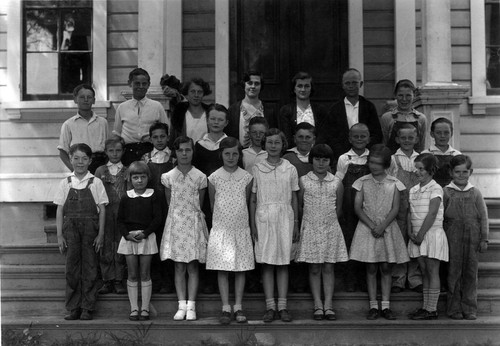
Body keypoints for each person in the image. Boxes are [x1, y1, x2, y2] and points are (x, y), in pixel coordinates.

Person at [349, 144, 409, 320]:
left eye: (378, 163)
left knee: (385, 267)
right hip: (367, 228)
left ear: (385, 164)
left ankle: (386, 305)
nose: (374, 166)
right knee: (371, 266)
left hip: (387, 228)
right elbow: (358, 208)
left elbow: (396, 208)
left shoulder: (394, 183)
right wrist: (372, 225)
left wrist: (383, 226)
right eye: (371, 162)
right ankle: (373, 305)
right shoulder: (362, 182)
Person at [250, 128, 299, 323]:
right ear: (264, 144)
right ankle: (270, 306)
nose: (273, 146)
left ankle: (283, 306)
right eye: (269, 142)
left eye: (277, 142)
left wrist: (295, 223)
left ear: (283, 144)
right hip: (264, 217)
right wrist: (253, 224)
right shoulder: (257, 168)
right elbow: (253, 198)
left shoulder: (290, 168)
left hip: (285, 217)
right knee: (268, 263)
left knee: (283, 263)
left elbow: (295, 196)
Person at [54, 143, 108, 321]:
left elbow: (102, 209)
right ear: (70, 159)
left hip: (91, 229)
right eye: (76, 158)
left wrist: (100, 234)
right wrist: (60, 235)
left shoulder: (96, 182)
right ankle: (73, 307)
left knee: (90, 267)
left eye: (84, 158)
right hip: (70, 229)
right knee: (72, 268)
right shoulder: (65, 183)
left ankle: (87, 307)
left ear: (90, 160)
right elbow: (60, 210)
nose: (80, 162)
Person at [295, 144, 348, 321]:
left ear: (330, 162)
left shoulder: (336, 183)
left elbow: (339, 209)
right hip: (310, 227)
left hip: (330, 228)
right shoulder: (303, 181)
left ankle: (329, 304)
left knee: (328, 266)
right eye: (317, 159)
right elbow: (300, 206)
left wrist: (327, 222)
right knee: (315, 267)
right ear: (312, 160)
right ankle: (318, 304)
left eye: (325, 160)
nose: (320, 163)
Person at [206, 137, 255, 325]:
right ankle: (226, 306)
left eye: (235, 153)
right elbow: (212, 203)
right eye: (227, 153)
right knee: (223, 269)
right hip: (222, 228)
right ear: (221, 155)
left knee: (240, 268)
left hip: (241, 227)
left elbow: (247, 202)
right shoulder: (214, 177)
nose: (231, 157)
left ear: (239, 155)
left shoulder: (246, 177)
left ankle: (238, 306)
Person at [160, 137, 208, 321]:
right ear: (176, 152)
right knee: (179, 265)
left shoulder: (200, 177)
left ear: (193, 152)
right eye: (181, 150)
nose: (185, 153)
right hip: (176, 223)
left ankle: (192, 306)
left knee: (193, 265)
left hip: (193, 223)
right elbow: (169, 202)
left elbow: (200, 203)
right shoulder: (168, 177)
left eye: (188, 150)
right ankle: (181, 305)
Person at [444, 155, 489, 320]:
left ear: (471, 172)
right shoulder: (446, 192)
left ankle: (469, 308)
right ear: (451, 172)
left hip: (473, 236)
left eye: (465, 172)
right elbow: (440, 216)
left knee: (470, 272)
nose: (461, 175)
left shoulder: (475, 192)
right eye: (457, 172)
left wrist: (484, 238)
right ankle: (454, 308)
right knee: (453, 272)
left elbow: (483, 216)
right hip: (452, 236)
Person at [116, 161, 163, 321]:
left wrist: (145, 233)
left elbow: (158, 218)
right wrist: (126, 235)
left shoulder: (153, 195)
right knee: (132, 273)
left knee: (144, 273)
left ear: (148, 177)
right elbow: (120, 220)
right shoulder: (126, 197)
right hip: (129, 239)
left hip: (146, 237)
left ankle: (145, 308)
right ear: (130, 178)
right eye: (135, 177)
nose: (139, 180)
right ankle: (134, 308)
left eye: (143, 177)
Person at [192, 103, 230, 294]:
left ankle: (224, 277)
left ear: (226, 122)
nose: (216, 122)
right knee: (207, 237)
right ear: (207, 121)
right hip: (206, 198)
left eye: (220, 119)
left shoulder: (230, 145)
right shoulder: (199, 145)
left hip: (227, 199)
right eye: (213, 119)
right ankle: (207, 280)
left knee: (225, 238)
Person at [408, 153, 449, 320]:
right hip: (418, 235)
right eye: (416, 168)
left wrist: (421, 234)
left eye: (421, 169)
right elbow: (410, 213)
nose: (417, 172)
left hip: (431, 234)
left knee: (432, 271)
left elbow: (432, 214)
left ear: (431, 170)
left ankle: (432, 309)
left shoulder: (436, 188)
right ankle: (425, 307)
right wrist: (411, 232)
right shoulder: (413, 189)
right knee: (424, 271)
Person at [387, 124, 423, 294]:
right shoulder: (393, 159)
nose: (407, 141)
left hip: (417, 204)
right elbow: (388, 182)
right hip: (399, 205)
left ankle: (415, 278)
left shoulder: (422, 158)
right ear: (397, 139)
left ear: (416, 139)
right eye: (403, 138)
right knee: (399, 240)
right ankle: (398, 278)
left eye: (411, 138)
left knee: (415, 239)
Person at [335, 123, 371, 292]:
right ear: (349, 138)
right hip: (349, 207)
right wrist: (339, 207)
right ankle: (349, 279)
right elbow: (338, 184)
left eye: (363, 136)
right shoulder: (344, 158)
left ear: (369, 138)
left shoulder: (372, 157)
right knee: (349, 241)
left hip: (369, 207)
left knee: (367, 242)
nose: (359, 139)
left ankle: (365, 281)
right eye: (355, 136)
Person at [141, 122, 176, 294]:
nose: (159, 140)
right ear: (150, 139)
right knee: (153, 242)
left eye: (162, 136)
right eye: (155, 137)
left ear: (168, 137)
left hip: (171, 205)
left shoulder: (174, 158)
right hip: (152, 206)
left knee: (168, 242)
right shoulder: (146, 159)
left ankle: (169, 281)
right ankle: (155, 280)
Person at [319, 68, 382, 161]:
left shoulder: (369, 107)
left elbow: (376, 134)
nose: (351, 86)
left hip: (366, 157)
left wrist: (364, 150)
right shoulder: (335, 109)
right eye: (347, 83)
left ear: (361, 84)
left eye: (354, 83)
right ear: (342, 85)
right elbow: (329, 135)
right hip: (342, 156)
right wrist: (341, 153)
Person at [113, 68, 168, 166]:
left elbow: (166, 131)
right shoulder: (122, 107)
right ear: (130, 83)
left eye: (144, 83)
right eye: (137, 83)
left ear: (148, 84)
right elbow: (117, 134)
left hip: (151, 151)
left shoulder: (157, 106)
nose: (141, 87)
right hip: (129, 152)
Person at [94, 138, 128, 295]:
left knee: (120, 245)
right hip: (105, 214)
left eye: (118, 150)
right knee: (106, 245)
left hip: (122, 213)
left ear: (123, 151)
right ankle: (107, 280)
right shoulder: (100, 171)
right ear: (106, 152)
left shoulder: (127, 170)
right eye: (111, 151)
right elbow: (95, 193)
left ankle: (118, 279)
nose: (115, 154)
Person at [58, 84, 108, 174]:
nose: (86, 100)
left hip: (100, 164)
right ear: (75, 99)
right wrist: (74, 170)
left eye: (89, 97)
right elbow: (62, 152)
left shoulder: (102, 122)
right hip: (80, 165)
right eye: (82, 97)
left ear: (94, 100)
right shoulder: (68, 124)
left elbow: (108, 147)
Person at [227, 71, 277, 147]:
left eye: (257, 84)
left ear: (261, 86)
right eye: (250, 83)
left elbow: (273, 135)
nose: (253, 86)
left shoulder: (269, 111)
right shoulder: (233, 110)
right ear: (244, 85)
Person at [279, 72, 327, 147]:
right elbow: (286, 136)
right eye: (300, 86)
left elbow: (323, 135)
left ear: (311, 88)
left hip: (316, 153)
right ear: (294, 89)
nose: (303, 89)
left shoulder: (320, 110)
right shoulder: (286, 111)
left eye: (307, 86)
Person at [380, 79, 427, 153]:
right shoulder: (387, 117)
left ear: (414, 95)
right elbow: (384, 143)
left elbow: (421, 146)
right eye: (400, 95)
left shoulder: (421, 118)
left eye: (408, 95)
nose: (404, 99)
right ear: (395, 95)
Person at [169, 77, 212, 147]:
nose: (196, 95)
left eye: (199, 92)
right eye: (192, 91)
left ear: (204, 93)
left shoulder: (209, 113)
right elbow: (173, 137)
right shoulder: (179, 113)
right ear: (187, 93)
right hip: (185, 154)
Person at [422, 117, 461, 187]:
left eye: (446, 133)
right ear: (432, 134)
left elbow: (460, 177)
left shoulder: (457, 155)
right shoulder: (425, 155)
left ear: (451, 134)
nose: (442, 136)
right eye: (438, 133)